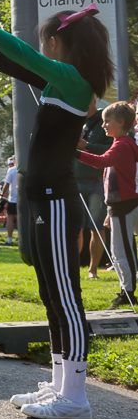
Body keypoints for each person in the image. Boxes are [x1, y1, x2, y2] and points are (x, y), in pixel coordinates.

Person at [0, 2, 112, 419]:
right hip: (43, 197)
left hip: (57, 199)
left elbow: (22, 54)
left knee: (66, 296)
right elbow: (12, 63)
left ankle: (76, 396)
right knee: (50, 292)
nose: (44, 48)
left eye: (49, 42)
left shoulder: (73, 80)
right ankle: (62, 382)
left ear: (62, 42)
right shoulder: (59, 82)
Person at [76, 102, 138, 310]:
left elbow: (102, 162)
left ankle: (128, 292)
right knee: (120, 250)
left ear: (120, 122)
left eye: (106, 121)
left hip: (123, 205)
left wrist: (75, 152)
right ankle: (126, 289)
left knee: (122, 251)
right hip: (118, 206)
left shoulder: (122, 144)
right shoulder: (121, 142)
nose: (103, 126)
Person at [75, 110, 110, 277]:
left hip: (97, 183)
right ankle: (72, 267)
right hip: (75, 182)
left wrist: (87, 146)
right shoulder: (76, 121)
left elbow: (110, 150)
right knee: (75, 227)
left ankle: (93, 270)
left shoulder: (105, 123)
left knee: (96, 226)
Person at [0, 157, 18, 244]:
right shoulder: (25, 168)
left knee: (10, 218)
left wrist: (1, 194)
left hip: (13, 198)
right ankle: (22, 238)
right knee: (21, 219)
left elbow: (6, 184)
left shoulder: (11, 170)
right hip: (22, 199)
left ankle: (9, 240)